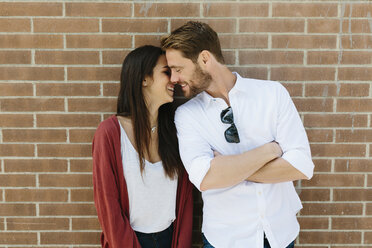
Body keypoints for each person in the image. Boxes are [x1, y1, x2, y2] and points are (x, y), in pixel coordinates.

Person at [161, 21, 314, 248]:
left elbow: (301, 166)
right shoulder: (187, 115)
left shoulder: (272, 94)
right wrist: (270, 150)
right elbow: (205, 178)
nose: (173, 78)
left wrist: (228, 168)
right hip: (226, 240)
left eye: (178, 69)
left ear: (205, 59)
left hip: (279, 235)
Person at [92, 45, 193, 248]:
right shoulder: (110, 133)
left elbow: (186, 200)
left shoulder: (175, 131)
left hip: (169, 239)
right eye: (166, 72)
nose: (174, 79)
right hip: (129, 241)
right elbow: (108, 206)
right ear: (144, 79)